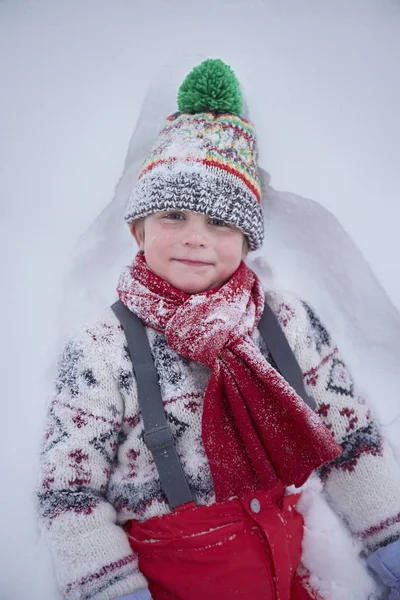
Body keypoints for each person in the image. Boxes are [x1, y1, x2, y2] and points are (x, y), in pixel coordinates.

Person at [38, 59, 400, 600]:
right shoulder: (102, 349)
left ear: (248, 240)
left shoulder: (287, 323)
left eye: (219, 223)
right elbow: (70, 493)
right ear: (138, 231)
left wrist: (390, 547)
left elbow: (351, 442)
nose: (195, 238)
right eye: (173, 217)